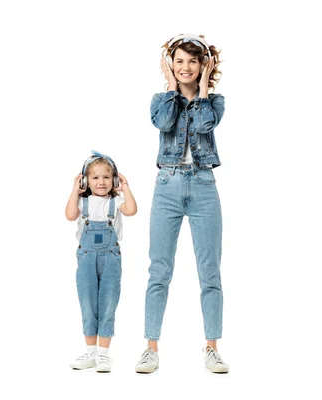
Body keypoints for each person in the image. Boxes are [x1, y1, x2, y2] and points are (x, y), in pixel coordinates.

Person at [134, 34, 230, 374]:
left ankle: (212, 347)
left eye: (192, 61)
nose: (185, 67)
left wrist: (203, 90)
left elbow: (205, 125)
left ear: (203, 65)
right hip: (167, 186)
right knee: (159, 271)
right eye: (179, 61)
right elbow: (163, 123)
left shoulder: (214, 102)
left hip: (204, 185)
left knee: (210, 272)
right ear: (170, 66)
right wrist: (173, 89)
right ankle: (150, 348)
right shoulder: (161, 100)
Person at [65, 150, 137, 373]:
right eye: (95, 177)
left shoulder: (117, 201)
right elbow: (69, 215)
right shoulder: (83, 202)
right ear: (86, 181)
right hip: (86, 258)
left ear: (113, 179)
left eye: (107, 177)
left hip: (111, 259)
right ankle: (90, 352)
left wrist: (124, 187)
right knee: (87, 303)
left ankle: (104, 355)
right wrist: (74, 191)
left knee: (108, 303)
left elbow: (132, 210)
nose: (101, 182)